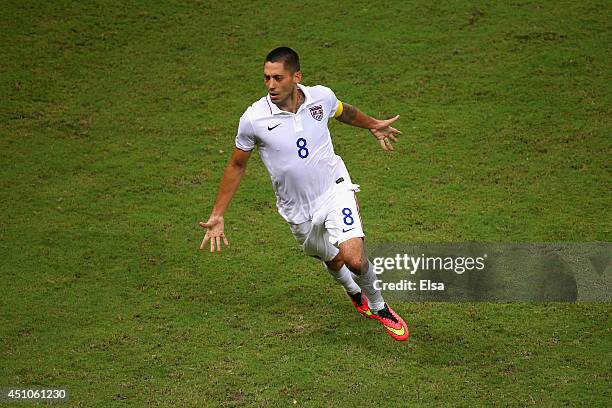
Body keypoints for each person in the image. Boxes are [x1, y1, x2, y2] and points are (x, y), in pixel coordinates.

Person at [199, 47, 409, 341]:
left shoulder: (320, 97)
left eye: (278, 78)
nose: (271, 85)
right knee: (334, 261)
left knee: (354, 259)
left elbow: (343, 111)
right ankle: (353, 292)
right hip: (296, 208)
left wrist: (373, 124)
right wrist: (218, 214)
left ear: (296, 77)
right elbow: (236, 164)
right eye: (266, 78)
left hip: (333, 189)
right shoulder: (253, 119)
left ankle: (379, 305)